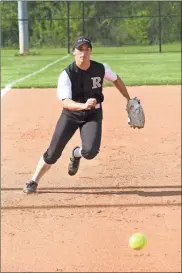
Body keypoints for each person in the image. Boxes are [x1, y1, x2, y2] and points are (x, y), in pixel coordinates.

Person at [23, 36, 131, 194]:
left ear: (91, 52)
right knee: (53, 153)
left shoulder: (101, 68)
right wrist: (83, 105)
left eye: (87, 49)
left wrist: (128, 99)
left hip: (93, 114)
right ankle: (33, 181)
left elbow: (115, 79)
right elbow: (65, 102)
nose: (84, 53)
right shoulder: (67, 74)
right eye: (80, 49)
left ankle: (76, 153)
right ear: (74, 52)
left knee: (90, 152)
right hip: (71, 115)